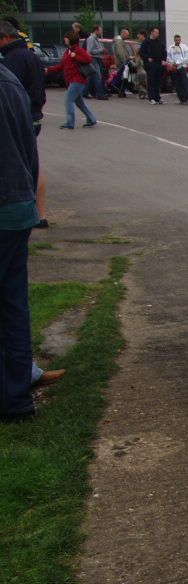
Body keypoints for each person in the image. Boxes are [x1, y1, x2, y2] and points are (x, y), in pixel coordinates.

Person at [0, 64, 41, 421]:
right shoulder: (11, 82)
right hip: (18, 207)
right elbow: (31, 151)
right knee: (14, 306)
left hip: (6, 205)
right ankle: (16, 397)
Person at [0, 20, 48, 228]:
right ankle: (40, 213)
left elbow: (9, 94)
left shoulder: (12, 59)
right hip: (34, 114)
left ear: (4, 38)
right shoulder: (31, 55)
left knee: (22, 166)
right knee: (32, 163)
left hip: (22, 117)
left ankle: (34, 212)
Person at [47, 31, 97, 128]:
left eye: (66, 37)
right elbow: (61, 66)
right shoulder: (68, 51)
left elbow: (89, 59)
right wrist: (48, 70)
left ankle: (70, 122)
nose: (64, 39)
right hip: (72, 80)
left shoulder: (78, 50)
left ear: (70, 39)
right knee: (79, 103)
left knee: (68, 100)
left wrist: (76, 57)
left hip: (77, 80)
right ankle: (91, 118)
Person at [139, 26, 166, 104]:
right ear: (152, 32)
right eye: (156, 32)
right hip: (151, 65)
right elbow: (142, 53)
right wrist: (147, 58)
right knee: (152, 81)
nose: (157, 34)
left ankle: (158, 98)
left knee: (158, 81)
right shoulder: (146, 42)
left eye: (158, 33)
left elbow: (164, 52)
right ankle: (152, 98)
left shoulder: (159, 42)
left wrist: (163, 60)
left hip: (159, 64)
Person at [166, 34, 188, 104]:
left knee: (184, 83)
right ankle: (181, 99)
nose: (177, 41)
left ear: (180, 40)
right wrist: (173, 64)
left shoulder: (184, 47)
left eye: (178, 40)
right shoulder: (171, 47)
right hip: (174, 68)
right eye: (176, 40)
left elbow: (187, 56)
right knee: (177, 84)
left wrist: (178, 62)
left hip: (181, 67)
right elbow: (168, 57)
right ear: (174, 40)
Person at [85, 25, 108, 100]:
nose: (101, 32)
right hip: (93, 59)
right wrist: (101, 50)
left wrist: (101, 51)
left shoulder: (96, 39)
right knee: (98, 77)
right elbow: (90, 50)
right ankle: (99, 94)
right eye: (100, 30)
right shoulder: (91, 39)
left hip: (97, 58)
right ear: (96, 30)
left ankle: (85, 92)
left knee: (91, 77)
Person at [112, 29, 132, 97]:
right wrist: (125, 60)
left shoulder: (119, 41)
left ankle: (121, 90)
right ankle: (120, 90)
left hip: (121, 62)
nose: (128, 36)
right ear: (123, 34)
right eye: (127, 35)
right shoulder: (119, 42)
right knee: (123, 76)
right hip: (122, 62)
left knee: (123, 76)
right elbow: (120, 53)